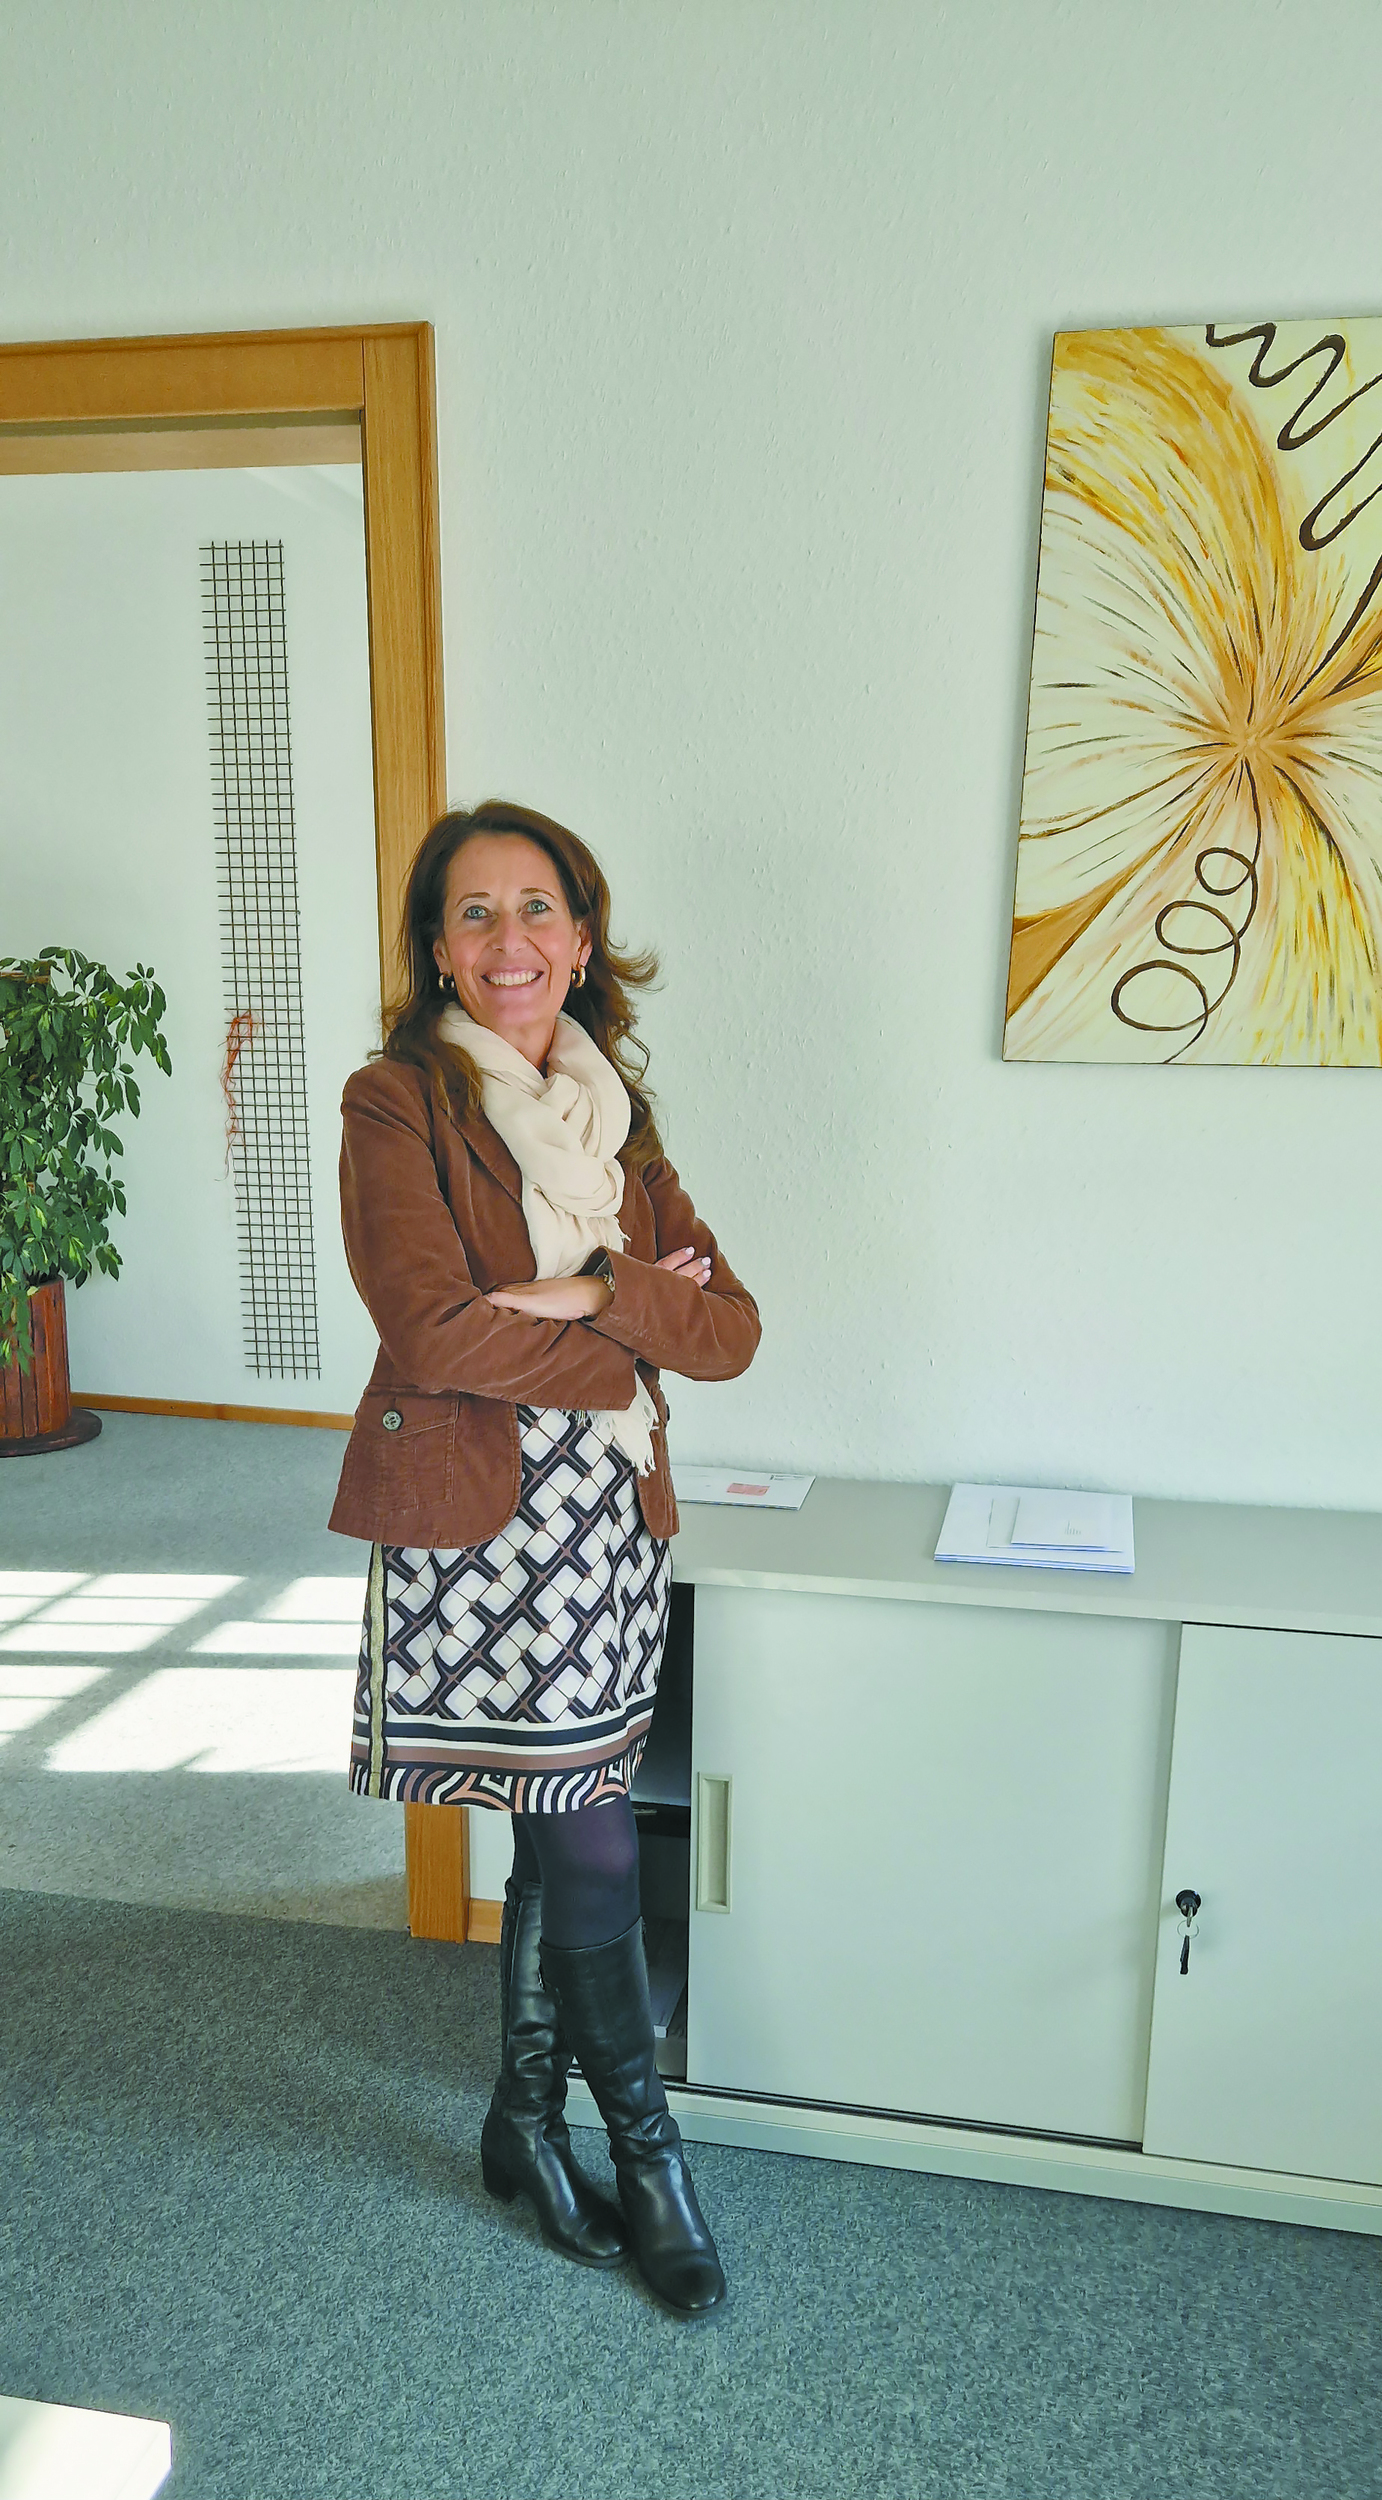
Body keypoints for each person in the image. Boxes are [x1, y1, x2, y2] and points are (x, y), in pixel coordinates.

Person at [329, 800, 762, 2319]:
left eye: (536, 909)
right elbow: (430, 1331)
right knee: (585, 1831)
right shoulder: (395, 1101)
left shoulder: (615, 1117)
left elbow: (730, 1332)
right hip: (482, 1529)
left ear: (580, 942)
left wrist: (581, 1290)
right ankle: (647, 2156)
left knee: (556, 1816)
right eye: (473, 912)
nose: (507, 938)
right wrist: (633, 1312)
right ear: (437, 948)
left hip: (608, 1525)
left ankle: (523, 2118)